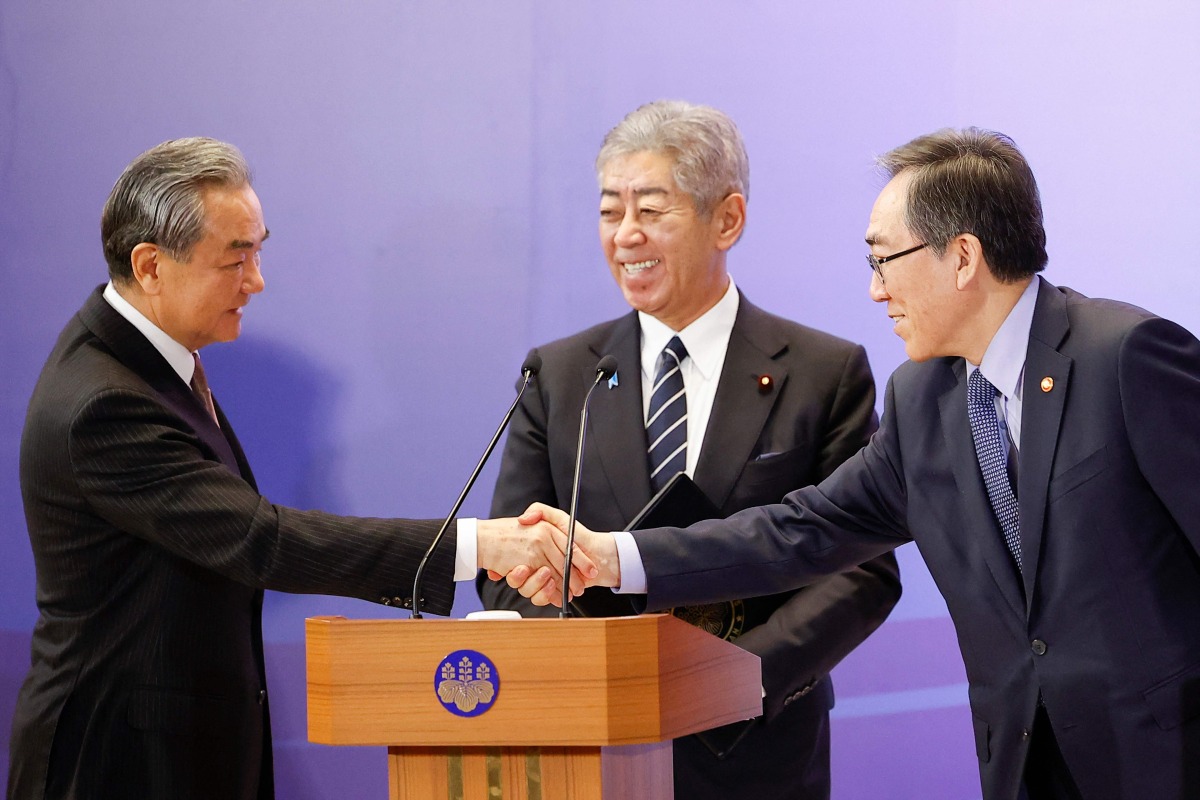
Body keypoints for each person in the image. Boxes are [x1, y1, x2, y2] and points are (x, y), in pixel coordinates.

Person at [507, 128, 1200, 800]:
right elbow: (799, 530)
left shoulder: (1125, 357)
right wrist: (611, 557)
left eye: (883, 260)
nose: (875, 291)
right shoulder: (923, 399)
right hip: (1025, 762)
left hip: (1168, 757)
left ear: (962, 257)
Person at [8, 137, 590, 800]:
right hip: (119, 764)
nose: (257, 280)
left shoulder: (152, 360)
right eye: (236, 258)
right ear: (150, 265)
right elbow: (261, 541)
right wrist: (480, 545)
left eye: (259, 249)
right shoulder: (106, 403)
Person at [478, 100, 900, 800]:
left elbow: (862, 572)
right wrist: (606, 682)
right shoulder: (557, 376)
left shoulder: (824, 372)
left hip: (758, 751)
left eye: (652, 209)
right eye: (611, 211)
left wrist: (722, 683)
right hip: (592, 750)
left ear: (727, 219)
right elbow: (505, 569)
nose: (626, 235)